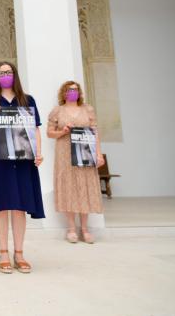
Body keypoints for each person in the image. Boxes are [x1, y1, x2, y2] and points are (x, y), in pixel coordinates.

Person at [0, 62, 44, 274]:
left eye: (9, 72)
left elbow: (36, 129)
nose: (5, 75)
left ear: (15, 75)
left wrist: (38, 153)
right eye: (1, 73)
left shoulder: (27, 100)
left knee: (20, 206)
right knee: (1, 205)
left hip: (23, 158)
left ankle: (19, 253)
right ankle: (4, 252)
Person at [47, 80, 104, 244]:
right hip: (64, 154)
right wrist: (63, 131)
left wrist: (98, 154)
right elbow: (49, 133)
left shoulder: (88, 109)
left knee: (84, 188)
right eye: (69, 90)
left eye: (76, 90)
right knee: (68, 188)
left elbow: (95, 132)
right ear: (63, 93)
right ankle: (71, 228)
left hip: (85, 153)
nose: (73, 92)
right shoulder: (57, 111)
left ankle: (85, 229)